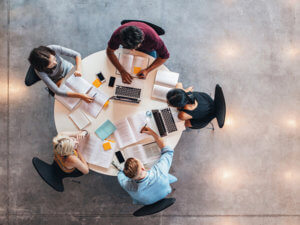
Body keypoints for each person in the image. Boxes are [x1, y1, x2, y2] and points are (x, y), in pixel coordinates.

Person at [117, 126, 177, 205]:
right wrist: (153, 133)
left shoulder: (127, 185)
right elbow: (168, 151)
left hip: (147, 202)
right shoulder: (160, 171)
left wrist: (123, 170)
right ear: (142, 168)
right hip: (164, 191)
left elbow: (120, 174)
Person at [28, 45, 94, 103]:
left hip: (68, 69)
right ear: (44, 68)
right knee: (73, 98)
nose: (55, 63)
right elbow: (57, 91)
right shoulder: (40, 71)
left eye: (54, 58)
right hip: (57, 80)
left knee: (86, 81)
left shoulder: (52, 48)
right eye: (51, 65)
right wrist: (80, 95)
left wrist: (78, 70)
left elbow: (77, 55)